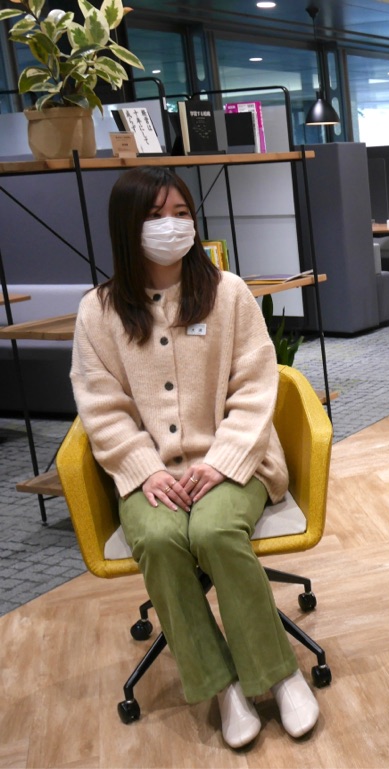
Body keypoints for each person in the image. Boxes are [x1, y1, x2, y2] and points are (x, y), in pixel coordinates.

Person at [70, 167, 319, 749]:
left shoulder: (228, 293)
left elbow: (257, 386)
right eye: (156, 215)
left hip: (238, 459)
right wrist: (145, 470)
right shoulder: (98, 312)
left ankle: (278, 674)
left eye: (181, 213)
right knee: (158, 540)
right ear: (127, 226)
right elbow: (101, 407)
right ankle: (222, 685)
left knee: (213, 530)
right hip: (149, 473)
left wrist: (223, 461)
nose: (172, 226)